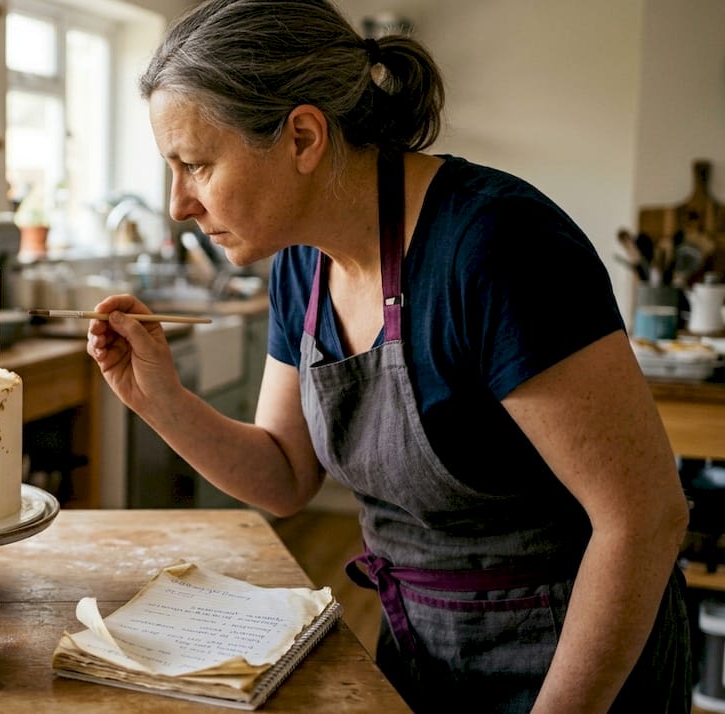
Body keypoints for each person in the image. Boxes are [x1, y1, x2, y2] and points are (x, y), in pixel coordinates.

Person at [86, 0, 692, 711]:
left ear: (303, 137)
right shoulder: (301, 266)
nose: (178, 205)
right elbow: (285, 476)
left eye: (195, 165)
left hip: (578, 665)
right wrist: (160, 400)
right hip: (422, 651)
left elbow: (643, 519)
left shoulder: (497, 247)